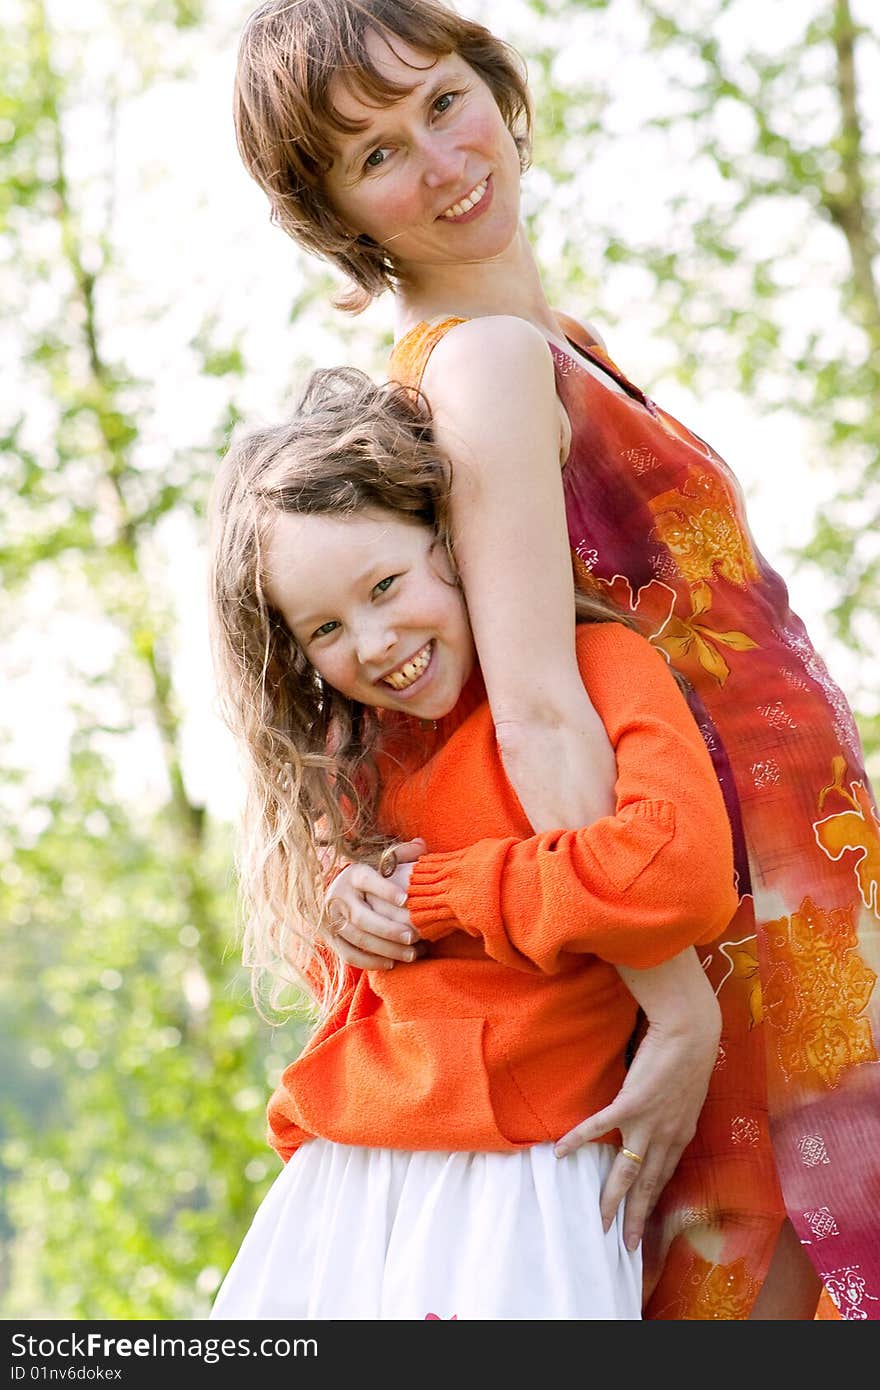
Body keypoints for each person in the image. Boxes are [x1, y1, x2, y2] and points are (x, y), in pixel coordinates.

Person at [230, 0, 880, 1319]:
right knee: (762, 1274)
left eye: (440, 101)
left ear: (493, 83)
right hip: (726, 921)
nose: (443, 159)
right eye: (376, 153)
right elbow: (533, 704)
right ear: (337, 213)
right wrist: (679, 1003)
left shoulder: (548, 343)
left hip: (795, 896)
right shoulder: (480, 364)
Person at [206, 364, 738, 1320]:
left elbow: (679, 875)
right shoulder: (350, 755)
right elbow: (350, 990)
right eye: (325, 627)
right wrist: (343, 903)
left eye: (385, 585)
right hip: (346, 1178)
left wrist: (441, 893)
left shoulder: (594, 669)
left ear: (452, 540)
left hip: (524, 1182)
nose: (371, 643)